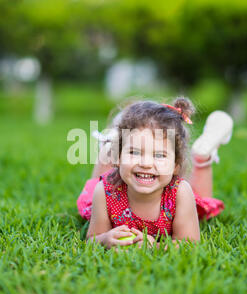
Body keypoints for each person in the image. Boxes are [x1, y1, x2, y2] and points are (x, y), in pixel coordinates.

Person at [77, 97, 233, 249]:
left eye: (159, 155)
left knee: (200, 204)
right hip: (115, 174)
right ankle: (109, 144)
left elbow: (189, 243)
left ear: (175, 166)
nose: (145, 164)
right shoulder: (104, 191)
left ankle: (202, 159)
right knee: (101, 179)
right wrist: (104, 239)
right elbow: (93, 238)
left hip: (175, 196)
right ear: (117, 158)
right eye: (134, 152)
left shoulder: (180, 192)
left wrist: (155, 246)